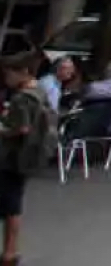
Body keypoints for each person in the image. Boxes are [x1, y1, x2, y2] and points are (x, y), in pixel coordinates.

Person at [1, 53, 56, 266]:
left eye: (8, 74)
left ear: (21, 72)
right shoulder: (40, 91)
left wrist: (3, 129)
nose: (6, 79)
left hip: (11, 156)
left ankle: (9, 251)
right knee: (13, 205)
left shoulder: (21, 98)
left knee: (10, 206)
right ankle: (10, 251)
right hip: (28, 155)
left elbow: (20, 128)